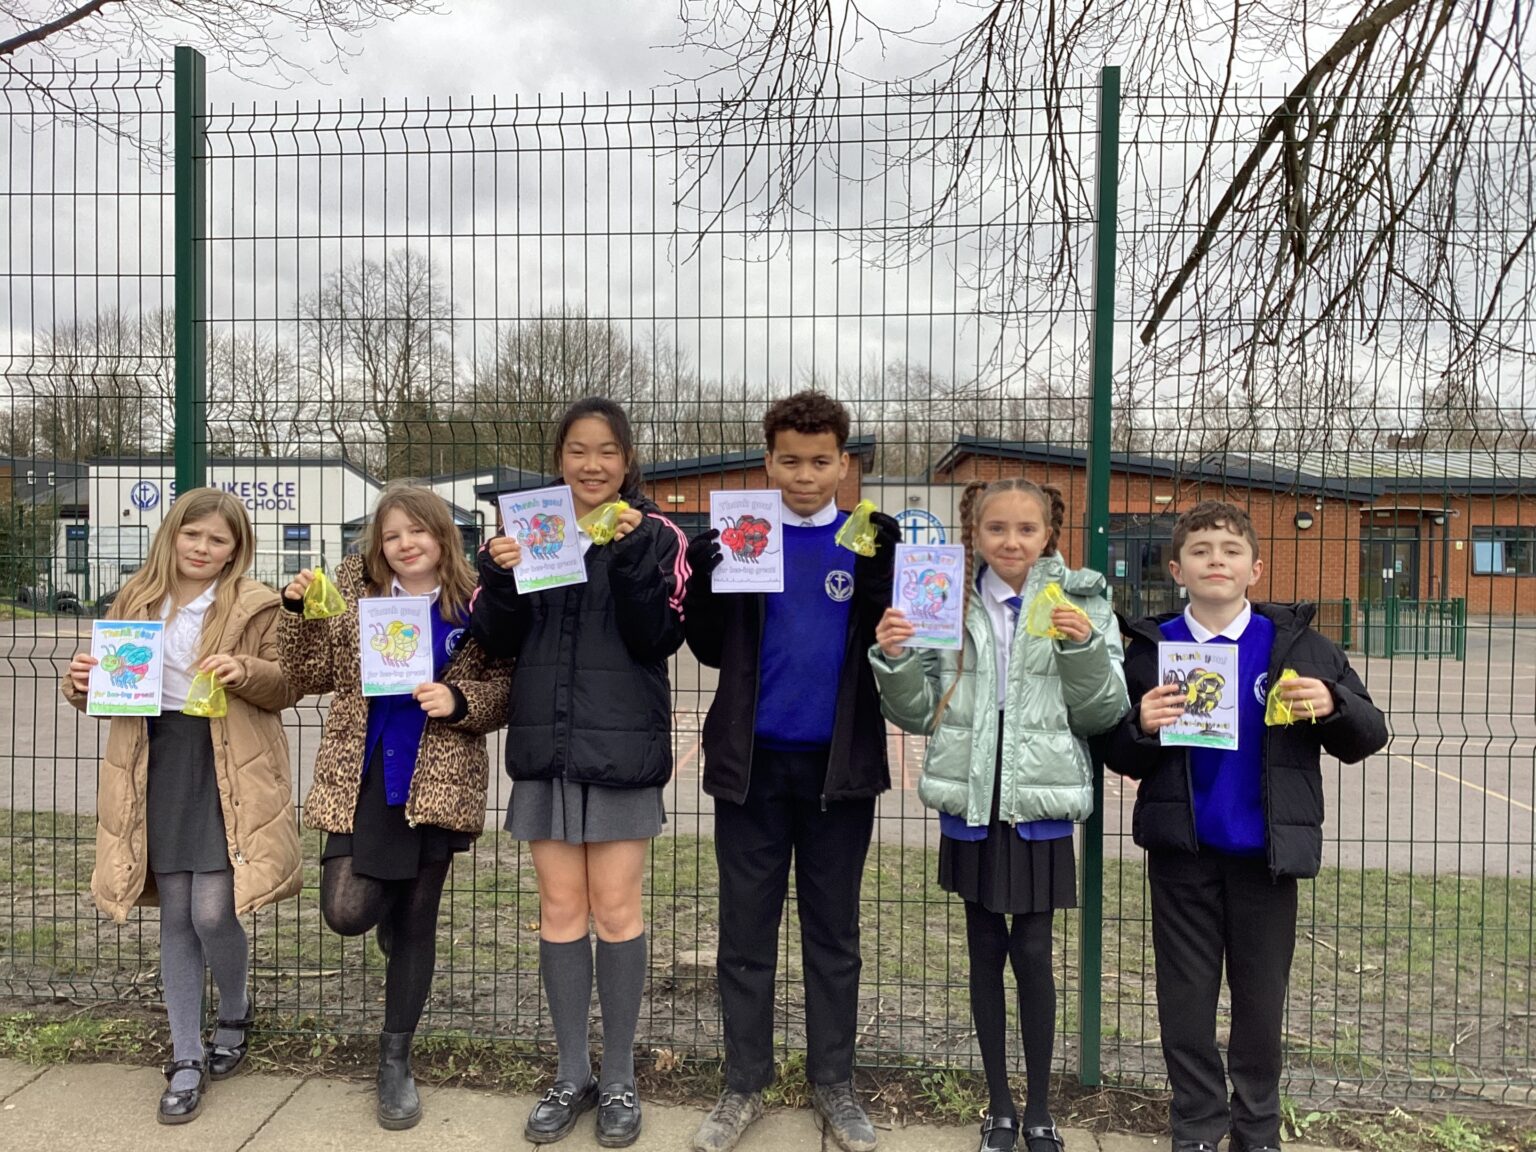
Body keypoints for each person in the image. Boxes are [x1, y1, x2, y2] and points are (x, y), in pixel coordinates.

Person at [1093, 500, 1388, 1152]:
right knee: (1186, 1003)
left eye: (1230, 551)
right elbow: (1115, 750)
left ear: (1255, 568)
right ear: (1177, 569)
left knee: (1259, 1005)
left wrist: (1334, 704)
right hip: (1183, 856)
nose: (1216, 561)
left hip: (1266, 858)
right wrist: (1141, 726)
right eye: (1200, 551)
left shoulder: (1300, 648)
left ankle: (1256, 1131)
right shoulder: (1151, 652)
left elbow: (1370, 733)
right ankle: (1197, 1129)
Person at [870, 478, 1128, 1152]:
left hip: (1038, 798)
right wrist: (895, 658)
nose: (1011, 541)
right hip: (972, 795)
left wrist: (1082, 649)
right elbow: (917, 711)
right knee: (984, 951)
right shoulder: (942, 599)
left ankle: (1040, 1109)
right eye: (996, 528)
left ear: (1049, 534)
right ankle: (1000, 1109)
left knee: (1034, 954)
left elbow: (1103, 711)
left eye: (1026, 529)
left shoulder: (1083, 600)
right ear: (975, 533)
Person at [684, 390, 900, 1152]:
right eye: (790, 461)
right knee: (746, 933)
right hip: (753, 770)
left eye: (820, 462)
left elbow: (898, 642)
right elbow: (710, 649)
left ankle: (833, 1082)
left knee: (833, 935)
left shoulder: (871, 540)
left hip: (839, 772)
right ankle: (744, 1083)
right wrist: (704, 583)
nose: (804, 476)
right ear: (767, 463)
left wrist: (889, 588)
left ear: (844, 465)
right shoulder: (742, 537)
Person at [472, 396, 688, 1149]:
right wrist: (499, 576)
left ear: (628, 461)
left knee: (617, 912)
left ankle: (620, 1076)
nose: (592, 465)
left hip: (622, 752)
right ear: (558, 459)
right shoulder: (531, 530)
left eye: (607, 451)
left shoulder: (656, 534)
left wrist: (628, 560)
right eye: (577, 450)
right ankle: (572, 1074)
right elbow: (496, 641)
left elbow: (658, 636)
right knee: (561, 911)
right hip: (546, 750)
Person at [63, 488, 301, 1124]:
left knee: (212, 910)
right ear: (172, 535)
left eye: (217, 539)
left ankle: (236, 1008)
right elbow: (109, 689)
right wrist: (81, 683)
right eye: (192, 534)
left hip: (228, 764)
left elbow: (286, 683)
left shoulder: (256, 604)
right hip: (155, 761)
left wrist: (244, 670)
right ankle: (187, 1055)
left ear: (235, 549)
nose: (202, 548)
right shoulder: (136, 598)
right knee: (176, 913)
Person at [280, 483, 511, 1130]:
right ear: (378, 545)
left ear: (443, 535)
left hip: (436, 775)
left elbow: (503, 686)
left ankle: (394, 1060)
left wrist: (460, 702)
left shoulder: (476, 601)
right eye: (392, 535)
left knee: (416, 921)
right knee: (348, 910)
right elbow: (306, 673)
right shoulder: (352, 591)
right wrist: (295, 611)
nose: (406, 544)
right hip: (364, 770)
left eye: (418, 530)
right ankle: (385, 924)